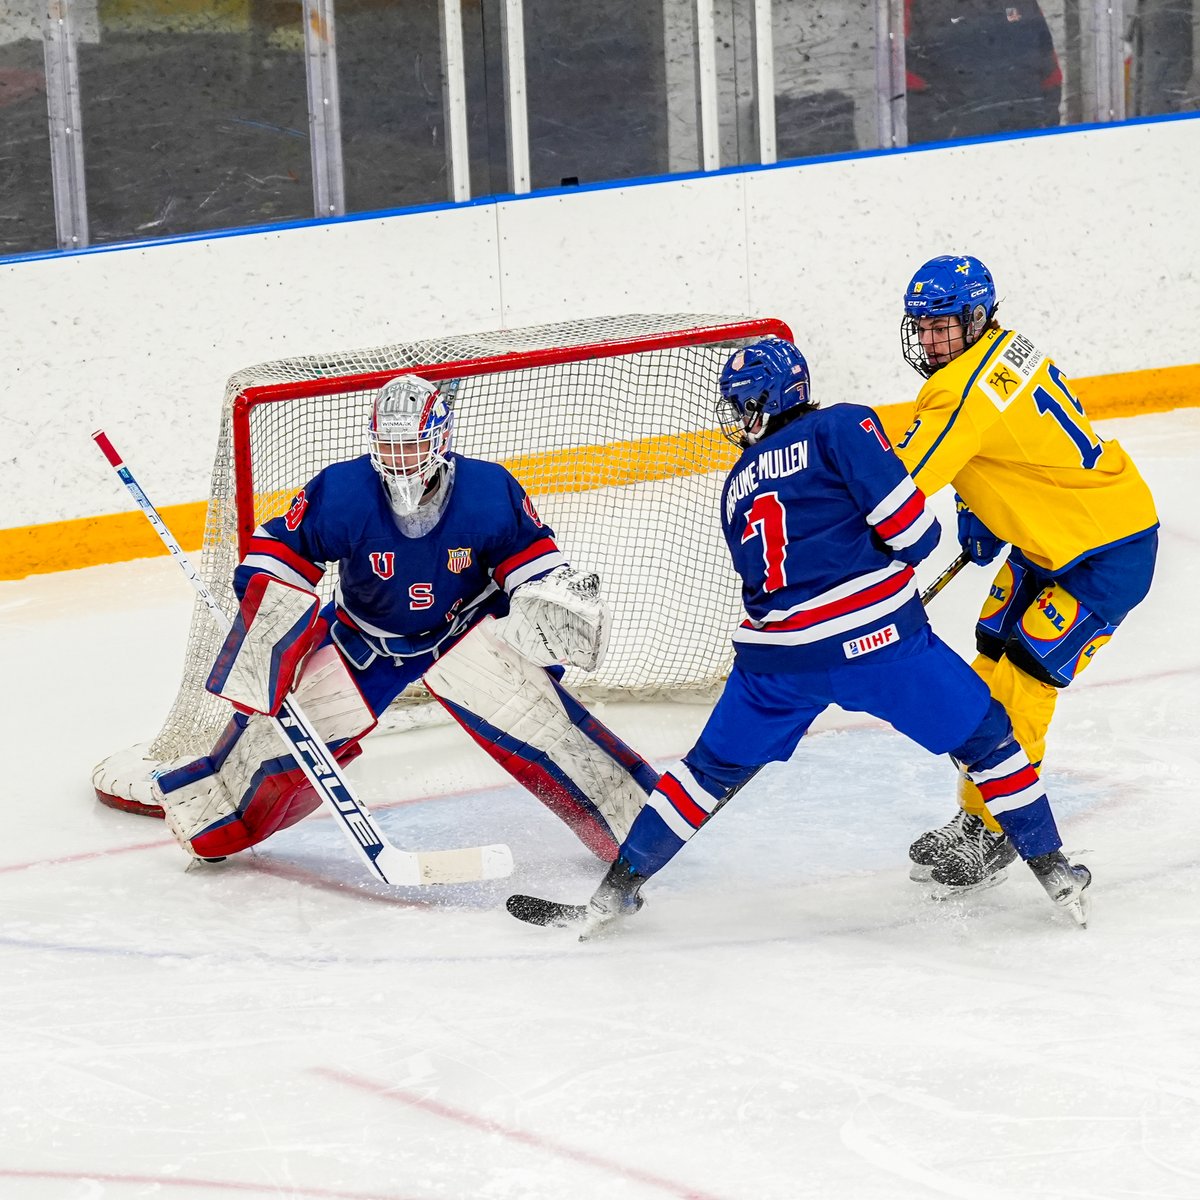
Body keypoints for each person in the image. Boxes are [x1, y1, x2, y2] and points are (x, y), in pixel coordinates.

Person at [509, 336, 1092, 938]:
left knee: (703, 774)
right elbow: (915, 535)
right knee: (990, 741)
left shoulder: (735, 484)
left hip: (777, 660)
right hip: (879, 642)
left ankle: (614, 894)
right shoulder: (844, 427)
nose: (736, 417)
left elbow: (768, 580)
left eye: (740, 405)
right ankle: (1054, 872)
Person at [153, 374, 656, 864]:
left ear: (440, 439)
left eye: (412, 445)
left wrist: (547, 597)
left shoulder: (487, 489)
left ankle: (644, 829)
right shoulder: (344, 490)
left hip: (463, 636)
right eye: (389, 446)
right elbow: (282, 549)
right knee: (276, 738)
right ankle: (212, 819)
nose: (400, 459)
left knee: (550, 730)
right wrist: (267, 607)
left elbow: (531, 558)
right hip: (364, 642)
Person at [896, 254, 1158, 892]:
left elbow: (903, 482)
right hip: (1052, 537)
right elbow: (998, 440)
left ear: (976, 319)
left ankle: (999, 831)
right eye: (921, 327)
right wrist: (974, 502)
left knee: (1025, 685)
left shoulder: (957, 391)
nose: (929, 340)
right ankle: (976, 818)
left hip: (1106, 553)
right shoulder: (1005, 350)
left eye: (942, 327)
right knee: (989, 663)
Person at [905, 0, 1062, 144]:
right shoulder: (918, 6)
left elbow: (1050, 77)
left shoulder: (1022, 3)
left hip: (1025, 142)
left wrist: (1041, 129)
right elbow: (910, 89)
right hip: (958, 154)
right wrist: (949, 141)